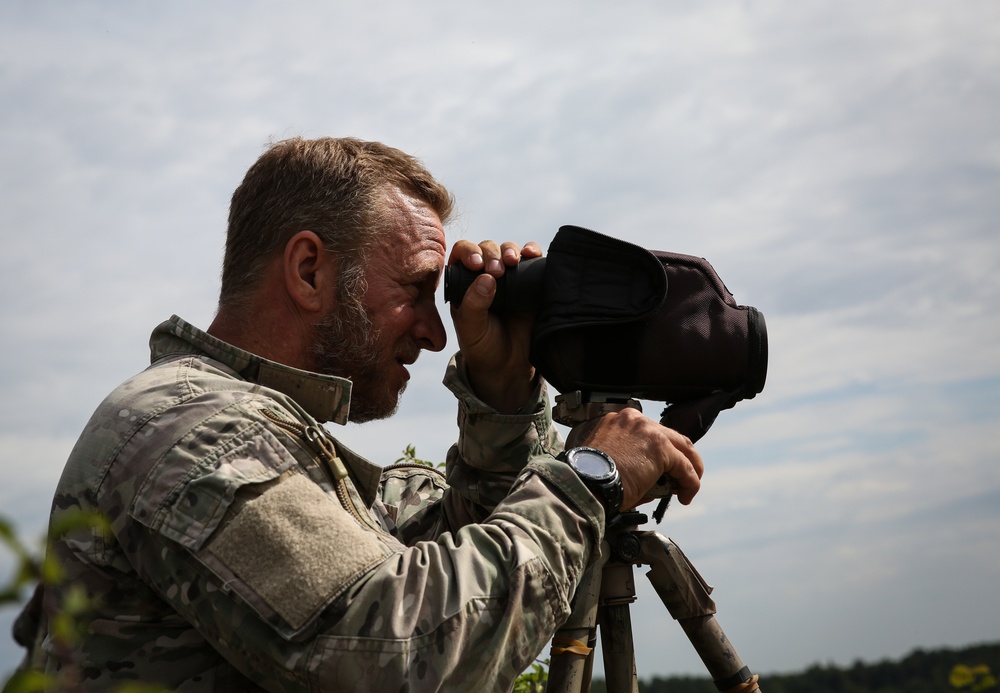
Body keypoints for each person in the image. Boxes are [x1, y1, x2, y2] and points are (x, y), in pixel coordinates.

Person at [14, 137, 704, 691]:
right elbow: (398, 653)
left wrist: (503, 394)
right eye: (416, 289)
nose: (437, 336)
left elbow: (443, 559)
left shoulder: (271, 435)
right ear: (310, 269)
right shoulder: (193, 430)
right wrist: (590, 478)